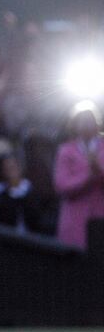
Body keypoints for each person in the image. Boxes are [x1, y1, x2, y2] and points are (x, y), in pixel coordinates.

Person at [53, 102, 104, 248]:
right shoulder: (65, 151)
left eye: (90, 119)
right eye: (82, 120)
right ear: (75, 125)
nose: (87, 124)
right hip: (74, 224)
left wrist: (98, 171)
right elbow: (61, 185)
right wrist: (88, 177)